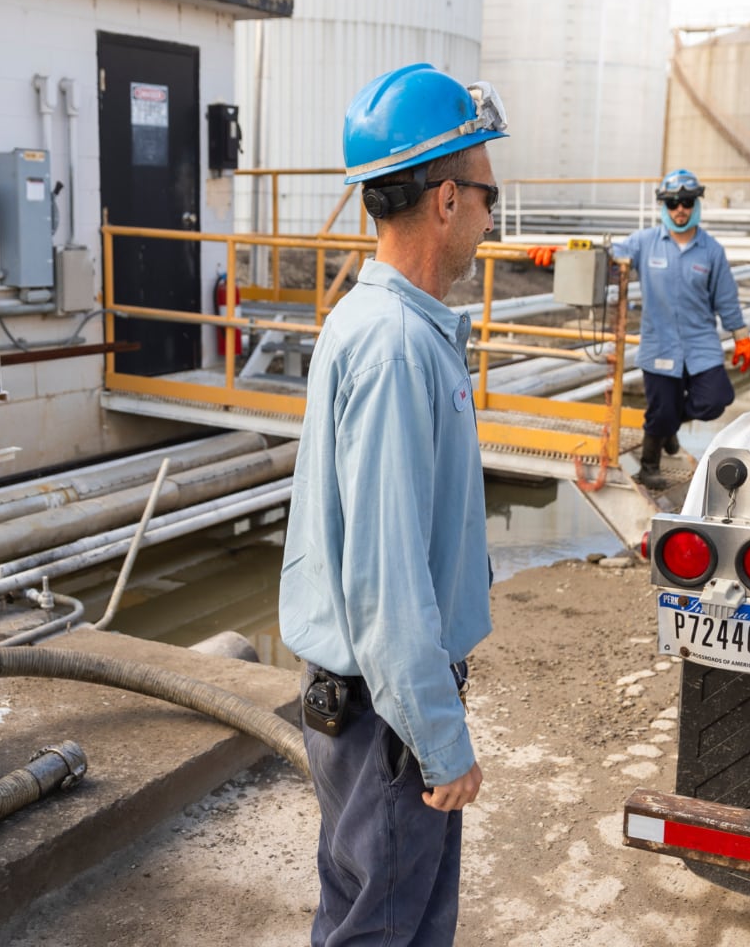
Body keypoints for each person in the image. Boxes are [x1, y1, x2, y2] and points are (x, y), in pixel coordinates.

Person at [278, 62, 501, 946]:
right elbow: (384, 581)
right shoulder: (399, 348)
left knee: (362, 914)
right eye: (487, 197)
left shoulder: (372, 322)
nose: (492, 218)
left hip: (368, 711)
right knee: (387, 928)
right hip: (388, 721)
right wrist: (442, 743)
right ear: (445, 199)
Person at [611, 169, 750, 489]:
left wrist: (741, 338)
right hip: (659, 345)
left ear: (696, 204)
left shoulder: (711, 251)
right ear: (664, 205)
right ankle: (649, 467)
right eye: (673, 202)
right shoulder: (645, 242)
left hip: (700, 344)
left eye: (686, 202)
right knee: (661, 409)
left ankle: (669, 426)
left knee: (716, 398)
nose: (680, 209)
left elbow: (726, 298)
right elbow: (611, 257)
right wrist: (566, 255)